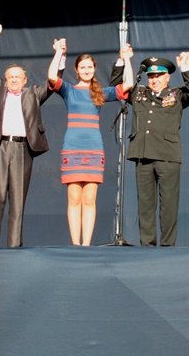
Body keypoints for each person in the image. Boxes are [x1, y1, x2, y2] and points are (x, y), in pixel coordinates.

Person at [0, 20, 59, 247]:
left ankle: (14, 245)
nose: (14, 79)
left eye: (18, 77)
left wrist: (59, 54)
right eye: (10, 76)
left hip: (23, 149)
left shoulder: (33, 93)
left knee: (18, 200)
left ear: (24, 80)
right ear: (5, 80)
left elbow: (53, 81)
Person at [48, 38, 134, 246]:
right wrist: (58, 52)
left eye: (89, 67)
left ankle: (86, 245)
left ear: (94, 70)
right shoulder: (69, 90)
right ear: (76, 71)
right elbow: (52, 77)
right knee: (74, 198)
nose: (86, 70)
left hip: (94, 150)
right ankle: (75, 245)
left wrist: (127, 59)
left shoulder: (101, 93)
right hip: (72, 149)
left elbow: (129, 84)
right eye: (82, 67)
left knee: (89, 199)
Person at [112, 53, 189, 246]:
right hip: (143, 155)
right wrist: (123, 60)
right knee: (145, 205)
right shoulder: (139, 93)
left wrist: (186, 69)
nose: (154, 80)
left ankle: (167, 246)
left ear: (167, 77)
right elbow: (117, 86)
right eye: (151, 76)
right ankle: (147, 246)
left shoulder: (176, 95)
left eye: (159, 76)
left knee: (168, 205)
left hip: (167, 156)